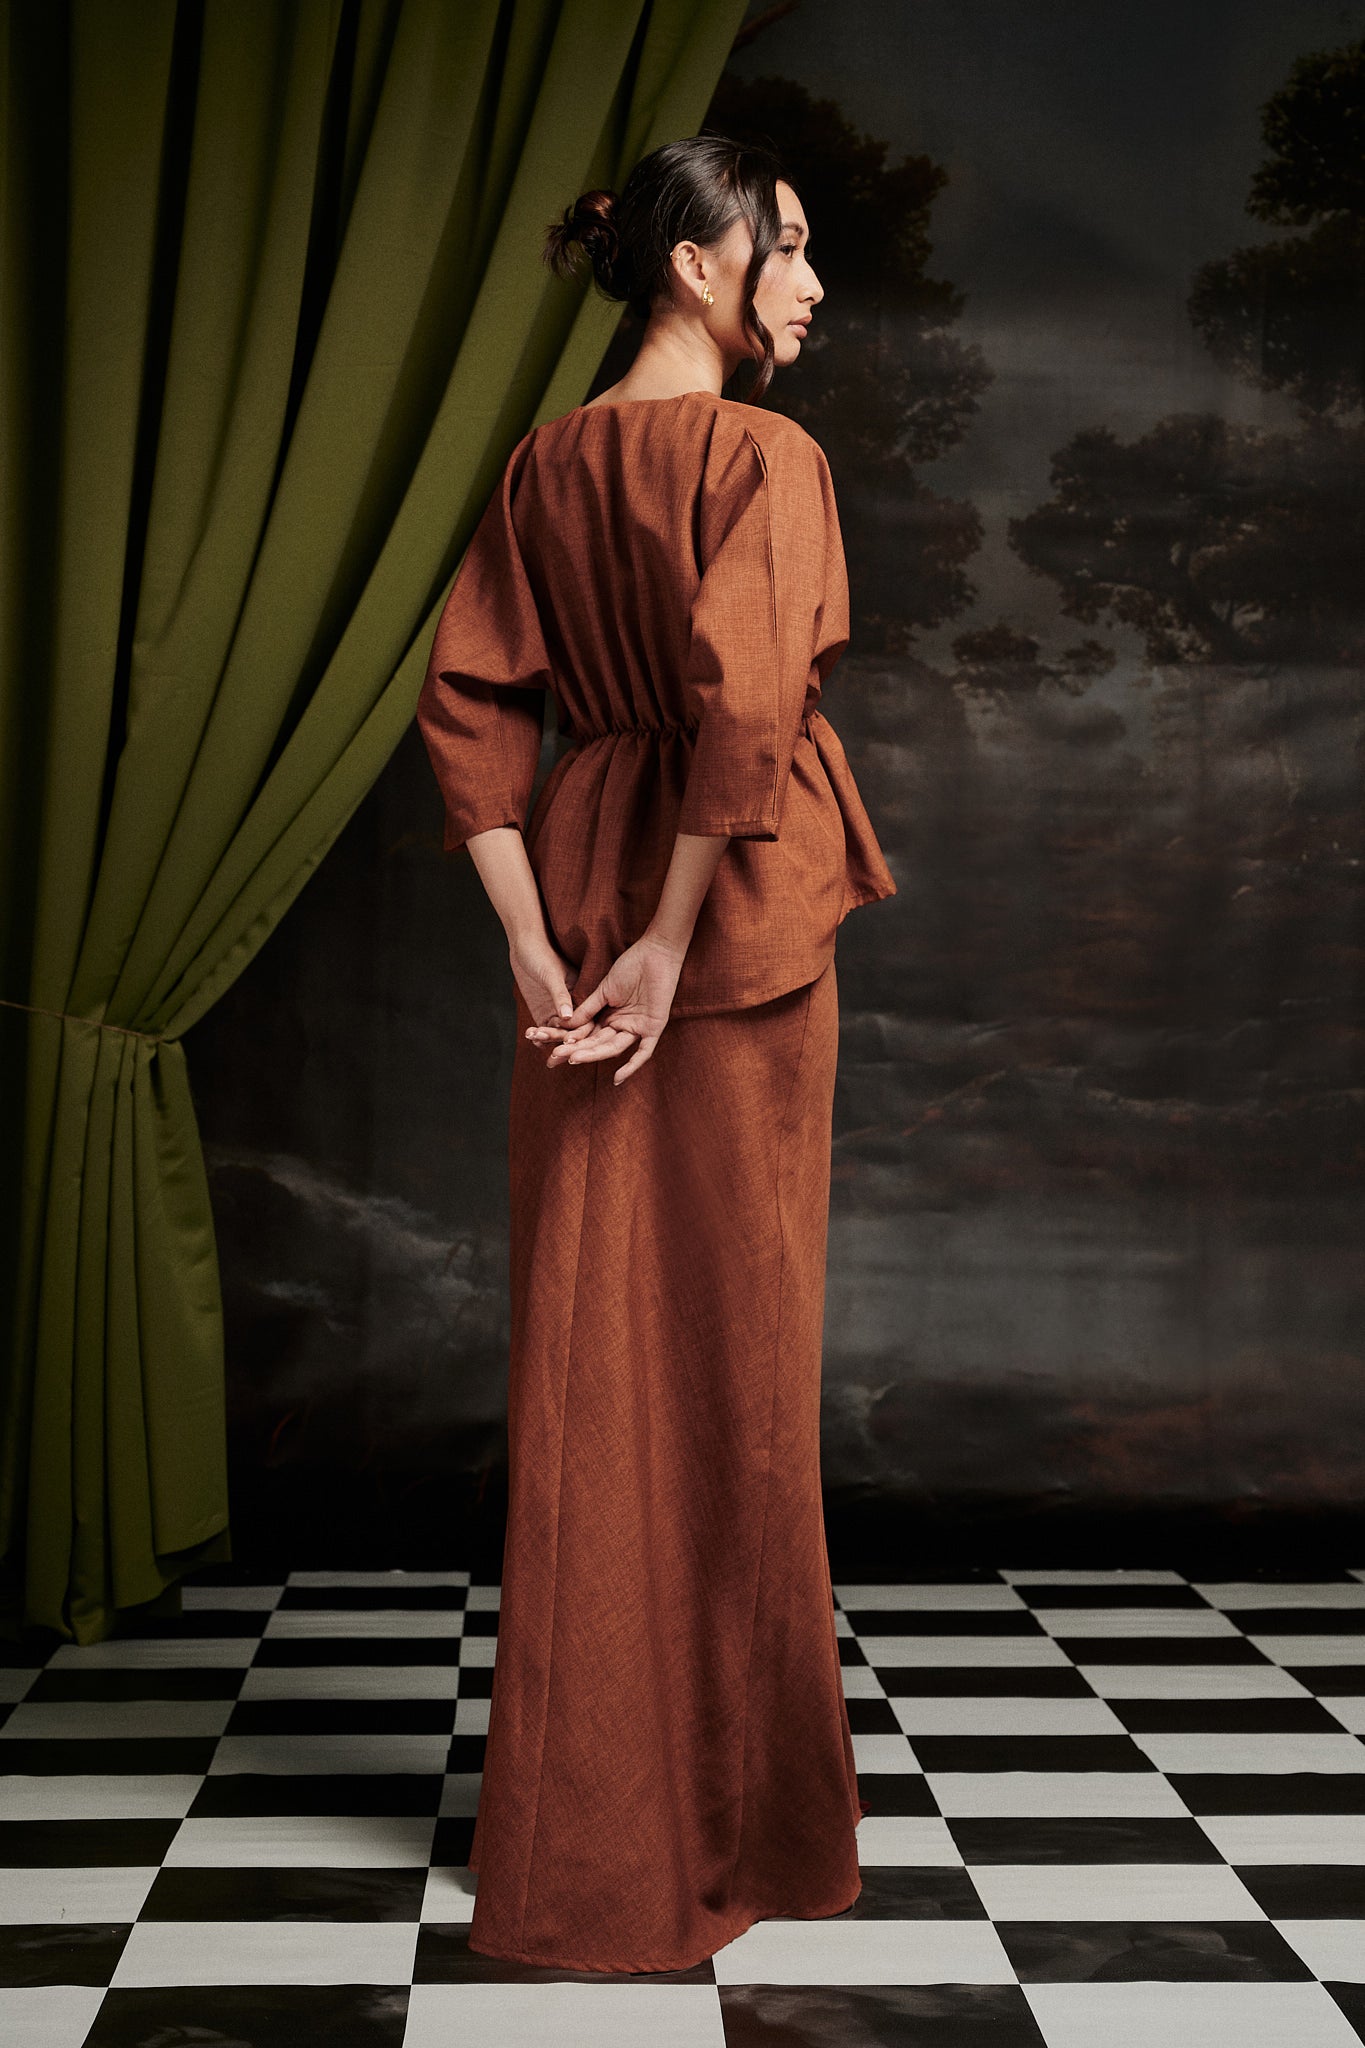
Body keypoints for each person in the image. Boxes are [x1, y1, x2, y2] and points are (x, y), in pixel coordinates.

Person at [415, 131, 896, 1976]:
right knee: (734, 1360)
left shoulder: (542, 466)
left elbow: (468, 707)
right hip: (722, 912)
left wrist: (537, 942)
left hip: (584, 886)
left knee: (587, 1345)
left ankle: (584, 1834)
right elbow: (747, 707)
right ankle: (729, 1828)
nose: (812, 284)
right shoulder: (765, 456)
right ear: (697, 264)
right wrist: (670, 942)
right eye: (789, 248)